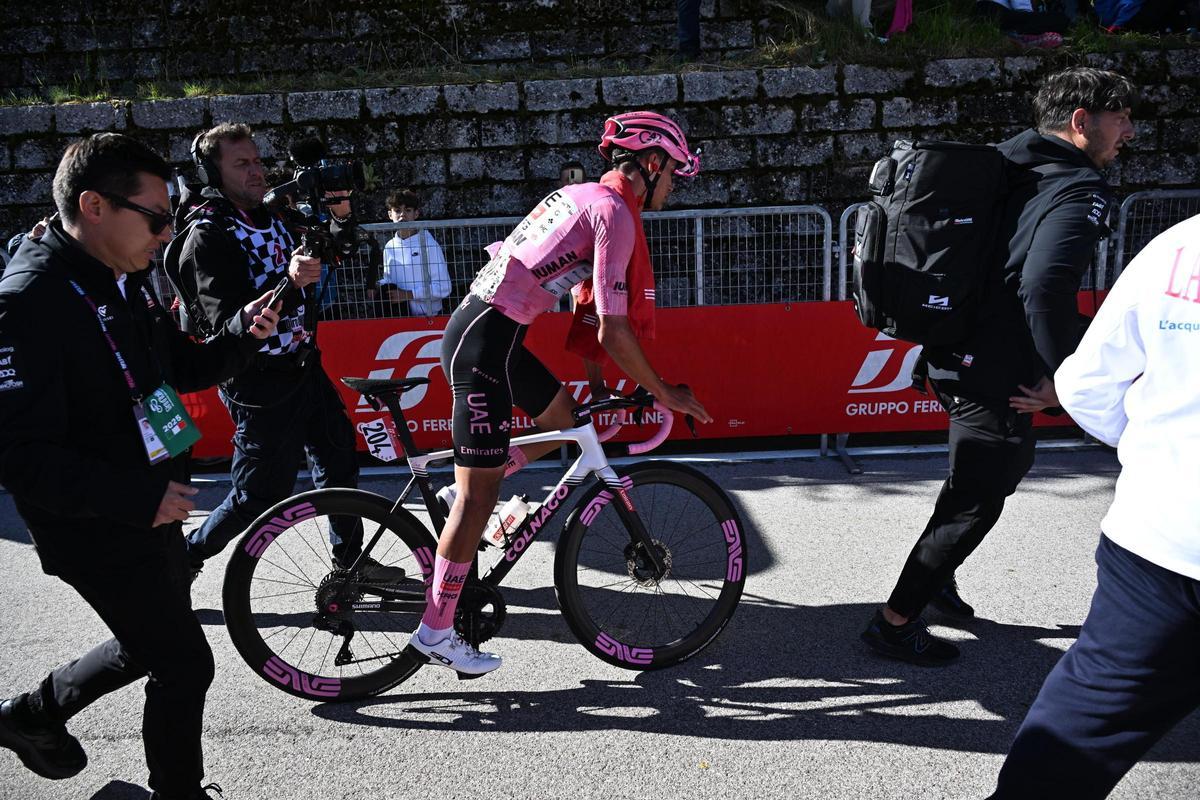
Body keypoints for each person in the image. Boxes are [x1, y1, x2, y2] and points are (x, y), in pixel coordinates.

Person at [0, 133, 280, 799]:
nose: (167, 232)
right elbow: (18, 454)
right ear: (95, 206)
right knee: (185, 663)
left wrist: (240, 335)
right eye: (155, 217)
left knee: (150, 643)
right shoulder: (29, 298)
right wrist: (133, 498)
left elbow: (172, 367)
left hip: (151, 500)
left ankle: (32, 715)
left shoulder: (121, 274)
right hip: (96, 520)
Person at [408, 111, 713, 677]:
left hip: (490, 335)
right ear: (651, 163)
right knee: (479, 500)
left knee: (567, 421)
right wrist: (664, 391)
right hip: (486, 345)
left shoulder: (581, 195)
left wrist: (600, 387)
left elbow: (587, 302)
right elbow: (613, 329)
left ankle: (466, 492)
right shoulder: (617, 213)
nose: (673, 185)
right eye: (673, 173)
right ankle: (437, 630)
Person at [861, 67, 1137, 665]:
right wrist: (1067, 379)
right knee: (976, 500)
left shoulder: (1006, 165)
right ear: (1080, 121)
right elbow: (1043, 290)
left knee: (971, 484)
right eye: (1121, 117)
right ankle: (894, 623)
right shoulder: (1076, 189)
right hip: (997, 376)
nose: (1130, 131)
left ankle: (938, 582)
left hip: (947, 355)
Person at [989, 212, 1200, 798]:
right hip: (1158, 536)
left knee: (1073, 738)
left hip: (1158, 533)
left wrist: (1154, 451)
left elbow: (1085, 385)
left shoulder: (1181, 244)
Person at [170, 124, 401, 581]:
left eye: (257, 161)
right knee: (256, 495)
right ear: (212, 172)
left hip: (304, 367)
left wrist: (339, 215)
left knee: (338, 463)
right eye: (242, 164)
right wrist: (289, 284)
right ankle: (184, 559)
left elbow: (339, 249)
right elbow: (229, 324)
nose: (256, 171)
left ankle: (350, 563)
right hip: (256, 381)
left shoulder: (276, 216)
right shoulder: (209, 234)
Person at [371, 189, 452, 317]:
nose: (402, 215)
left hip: (428, 318)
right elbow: (390, 281)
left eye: (407, 210)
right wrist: (376, 286)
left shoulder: (429, 245)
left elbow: (444, 287)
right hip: (399, 318)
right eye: (397, 210)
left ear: (416, 214)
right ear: (390, 215)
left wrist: (409, 295)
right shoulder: (389, 246)